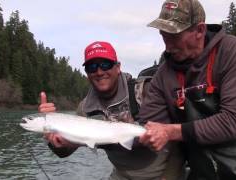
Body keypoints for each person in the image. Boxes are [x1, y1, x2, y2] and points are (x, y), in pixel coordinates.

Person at [138, 0, 236, 179]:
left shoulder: (232, 51)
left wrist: (169, 132)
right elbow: (149, 125)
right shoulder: (163, 75)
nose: (167, 46)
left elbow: (234, 121)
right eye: (163, 36)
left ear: (199, 30)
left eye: (174, 36)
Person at [39, 41, 185, 180]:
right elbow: (64, 151)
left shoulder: (146, 91)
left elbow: (180, 135)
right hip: (122, 175)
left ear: (118, 67)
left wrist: (169, 176)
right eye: (92, 67)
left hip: (163, 173)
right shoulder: (85, 109)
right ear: (87, 73)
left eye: (105, 64)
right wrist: (54, 136)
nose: (99, 72)